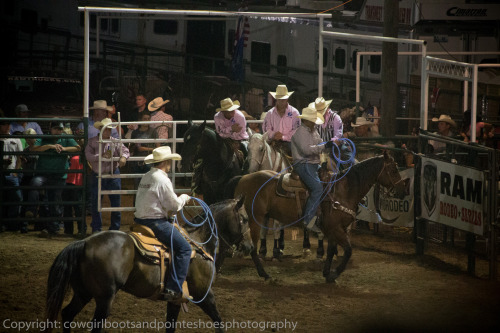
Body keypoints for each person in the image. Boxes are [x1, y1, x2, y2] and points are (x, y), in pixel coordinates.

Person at [134, 146, 192, 301]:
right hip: (155, 223)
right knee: (185, 248)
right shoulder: (162, 179)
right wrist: (185, 198)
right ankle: (173, 289)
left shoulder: (146, 176)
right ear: (166, 162)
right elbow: (174, 206)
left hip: (139, 221)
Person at [25, 121, 81, 237]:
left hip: (58, 175)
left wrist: (64, 149)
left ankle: (52, 227)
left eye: (60, 129)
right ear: (50, 129)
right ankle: (32, 210)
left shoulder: (65, 138)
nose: (58, 131)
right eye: (56, 129)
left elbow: (77, 147)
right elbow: (34, 148)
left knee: (54, 201)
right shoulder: (45, 138)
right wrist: (50, 146)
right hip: (45, 173)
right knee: (36, 184)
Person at [85, 118, 129, 233]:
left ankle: (114, 229)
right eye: (106, 129)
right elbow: (88, 155)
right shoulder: (92, 141)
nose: (107, 132)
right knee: (96, 202)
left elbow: (125, 150)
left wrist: (123, 157)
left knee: (115, 203)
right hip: (98, 174)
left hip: (112, 173)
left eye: (109, 130)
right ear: (100, 129)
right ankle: (97, 228)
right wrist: (101, 157)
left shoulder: (114, 141)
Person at [291, 105, 326, 233]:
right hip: (303, 164)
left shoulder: (313, 130)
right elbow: (306, 150)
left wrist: (323, 145)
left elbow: (320, 142)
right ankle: (308, 220)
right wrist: (323, 146)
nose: (314, 122)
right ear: (306, 120)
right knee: (317, 188)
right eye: (312, 120)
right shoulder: (300, 132)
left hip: (313, 163)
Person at [262, 85, 301, 156]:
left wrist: (283, 137)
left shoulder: (295, 113)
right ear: (276, 99)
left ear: (287, 98)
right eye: (279, 99)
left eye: (284, 99)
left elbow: (297, 130)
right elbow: (266, 129)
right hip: (273, 141)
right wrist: (274, 135)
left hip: (289, 142)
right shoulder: (270, 113)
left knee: (296, 157)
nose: (282, 101)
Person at [311, 97, 348, 170]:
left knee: (349, 158)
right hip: (321, 148)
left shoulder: (336, 118)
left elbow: (338, 135)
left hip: (336, 147)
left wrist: (331, 142)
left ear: (327, 108)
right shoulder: (315, 120)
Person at [1, 118, 24, 232]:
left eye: (7, 124)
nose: (7, 126)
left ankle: (11, 223)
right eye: (4, 124)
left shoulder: (15, 139)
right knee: (11, 198)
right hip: (6, 173)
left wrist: (16, 171)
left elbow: (19, 157)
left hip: (11, 172)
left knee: (16, 198)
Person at [213, 97, 249, 162]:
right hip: (222, 139)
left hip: (239, 139)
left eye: (232, 111)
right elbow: (220, 132)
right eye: (228, 112)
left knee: (246, 152)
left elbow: (240, 131)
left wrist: (227, 132)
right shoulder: (217, 117)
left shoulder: (240, 116)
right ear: (223, 112)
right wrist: (231, 129)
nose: (231, 113)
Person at [131, 112, 157, 190]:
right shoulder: (135, 132)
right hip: (138, 160)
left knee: (149, 185)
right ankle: (137, 201)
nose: (147, 121)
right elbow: (139, 148)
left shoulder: (153, 131)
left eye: (148, 119)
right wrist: (152, 149)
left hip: (149, 161)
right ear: (140, 120)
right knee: (137, 185)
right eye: (145, 119)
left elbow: (158, 146)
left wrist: (149, 149)